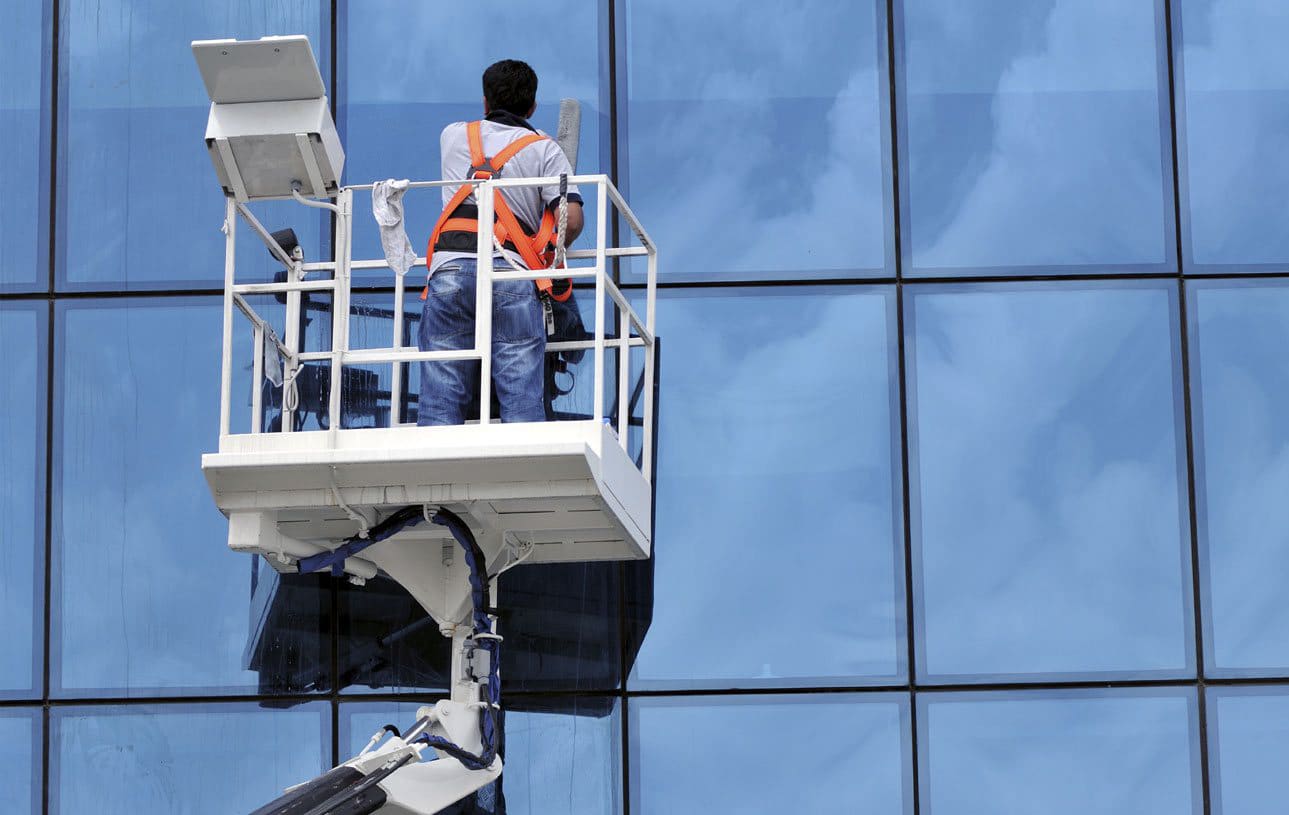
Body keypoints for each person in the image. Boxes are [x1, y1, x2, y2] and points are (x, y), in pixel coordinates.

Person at [418, 59, 584, 426]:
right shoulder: (544, 148)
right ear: (533, 107)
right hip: (510, 274)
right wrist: (548, 250)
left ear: (485, 102)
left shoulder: (453, 136)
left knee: (439, 404)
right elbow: (570, 220)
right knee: (522, 403)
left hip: (449, 274)